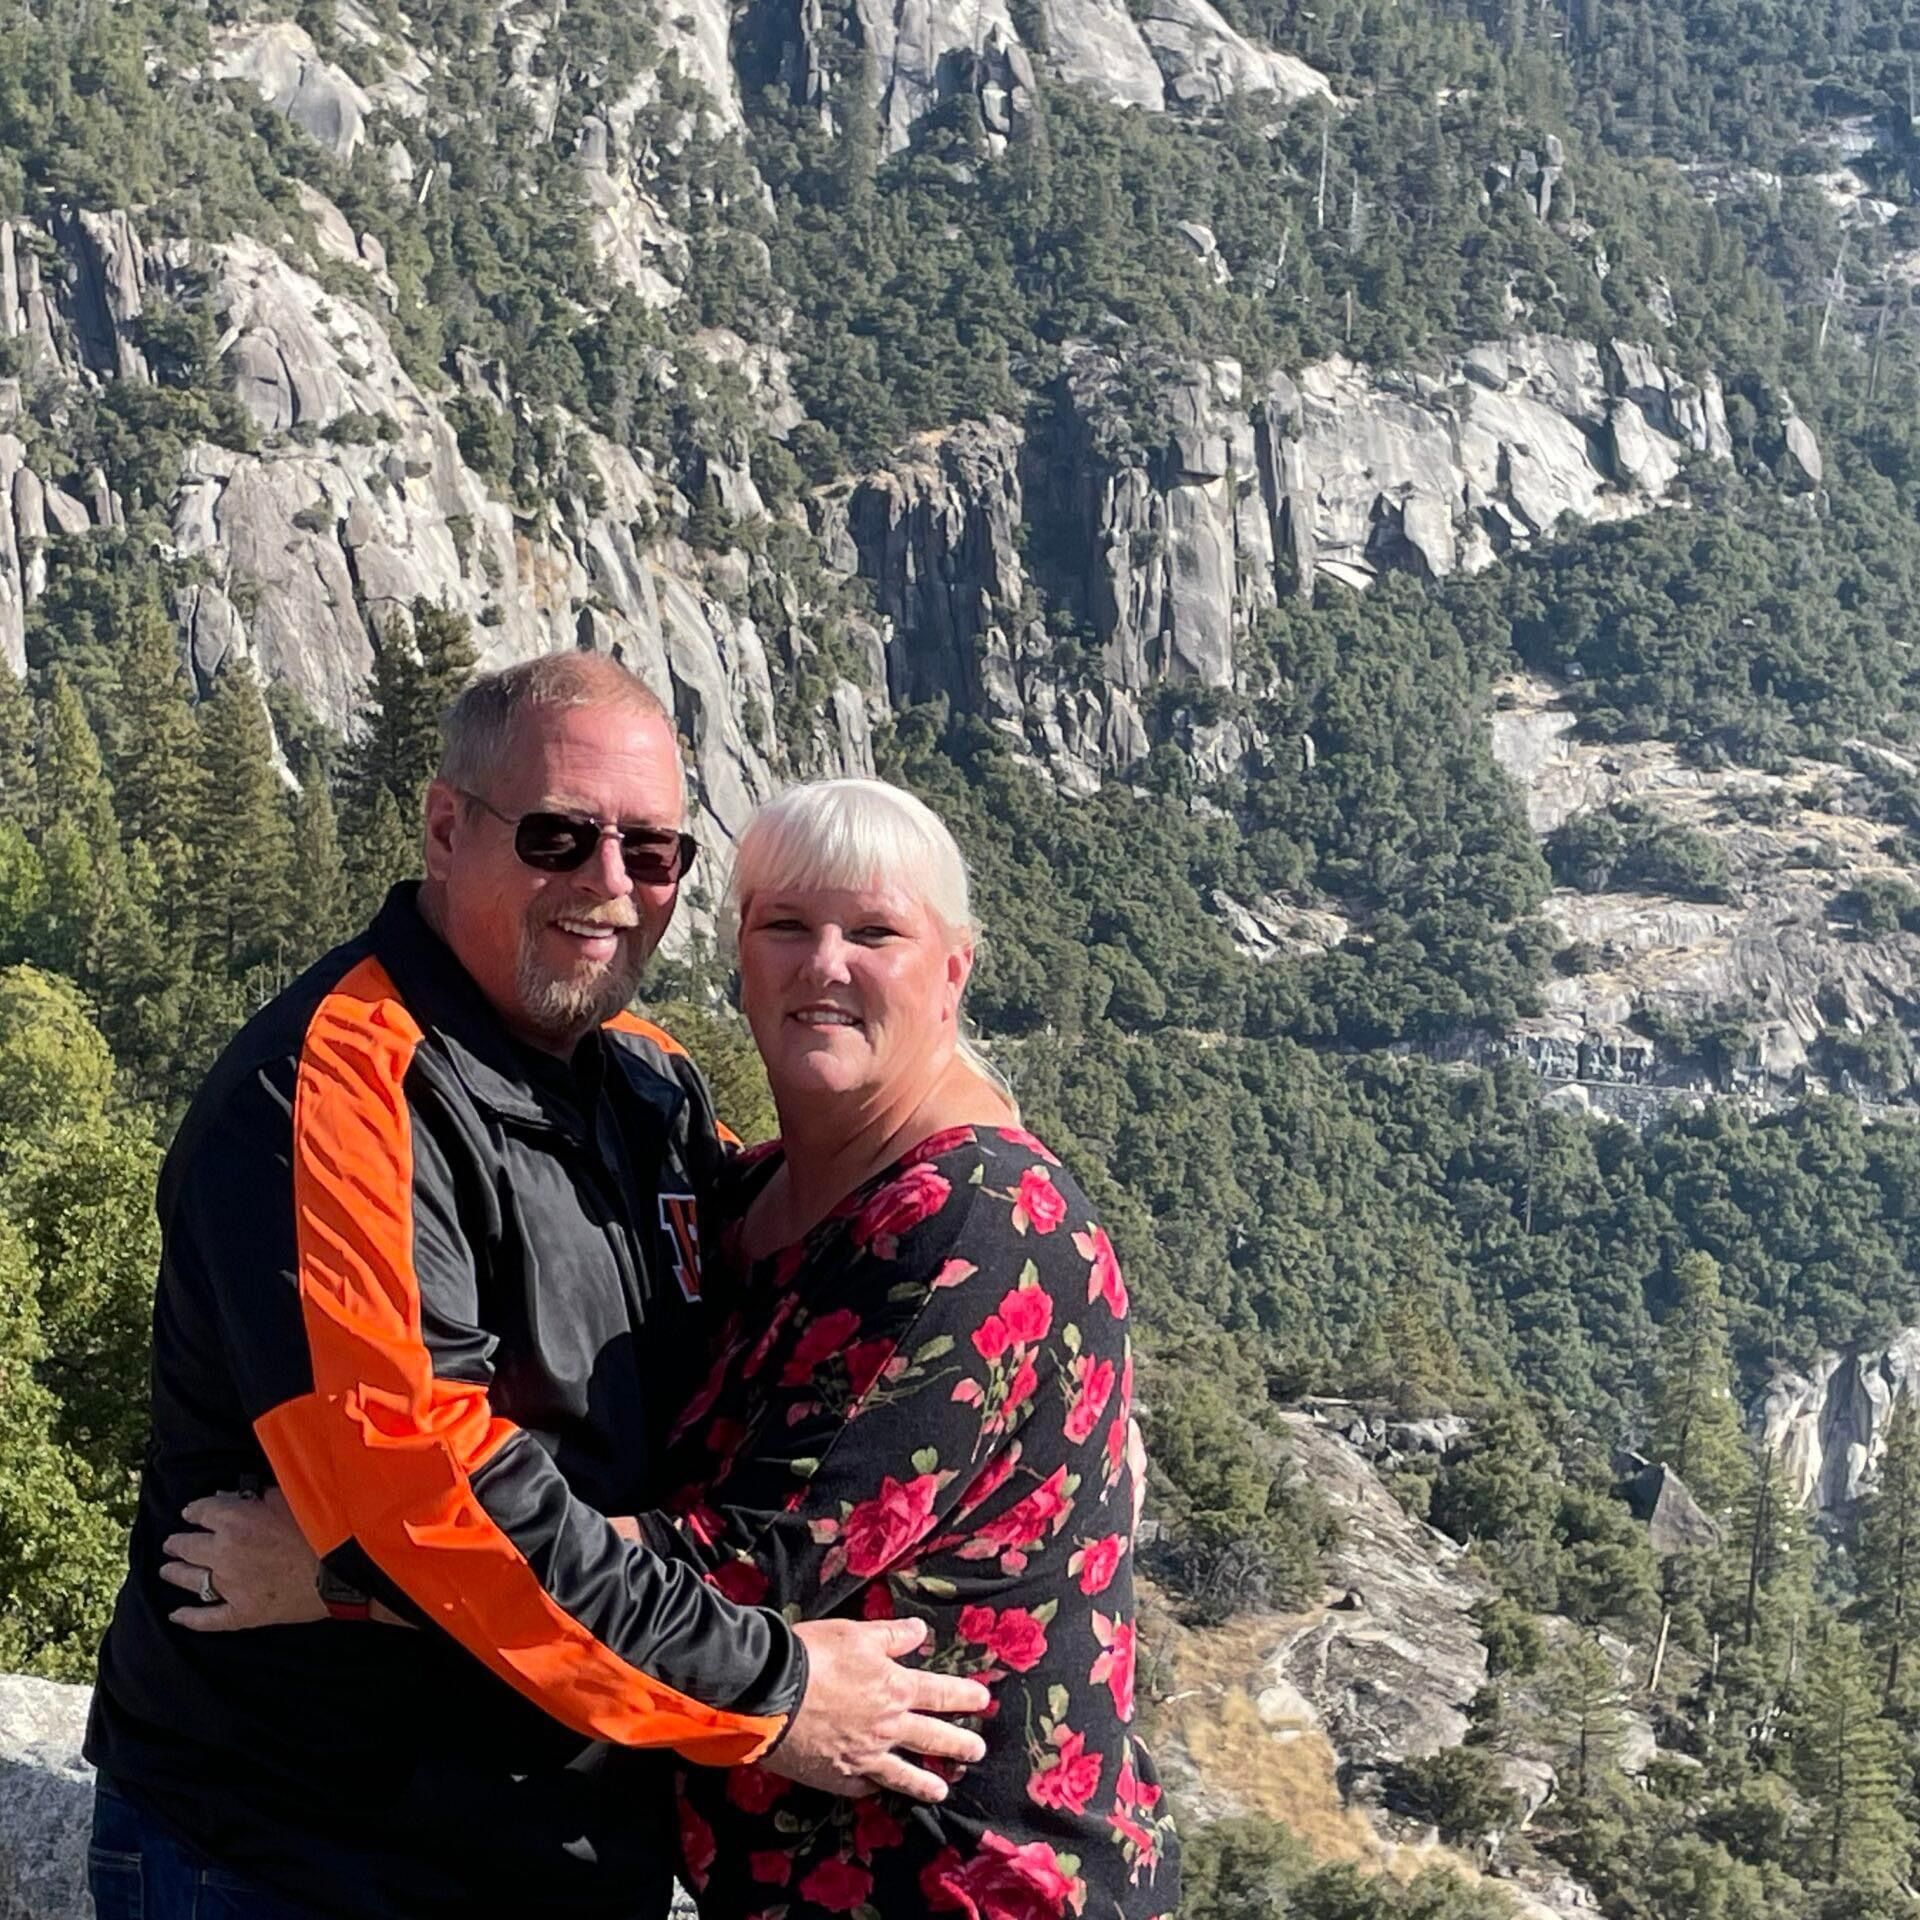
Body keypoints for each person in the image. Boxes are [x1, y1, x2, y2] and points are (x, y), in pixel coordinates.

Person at [166, 776, 1180, 1918]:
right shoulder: (751, 1193)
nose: (824, 964)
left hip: (966, 1879)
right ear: (738, 956)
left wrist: (350, 1576)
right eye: (785, 925)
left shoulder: (977, 1224)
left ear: (954, 969)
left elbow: (744, 1577)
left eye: (874, 933)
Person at [87, 658, 990, 1920]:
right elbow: (431, 1500)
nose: (610, 884)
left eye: (654, 852)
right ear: (446, 828)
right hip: (301, 1853)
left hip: (559, 1848)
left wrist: (346, 1578)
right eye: (559, 836)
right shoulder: (336, 1095)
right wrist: (771, 1693)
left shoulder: (652, 1086)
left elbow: (778, 1323)